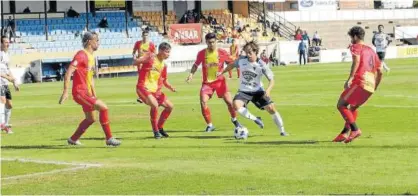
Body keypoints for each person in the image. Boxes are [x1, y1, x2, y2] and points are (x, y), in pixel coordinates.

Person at [58, 32, 121, 146]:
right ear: (89, 42)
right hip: (80, 92)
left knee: (90, 119)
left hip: (86, 92)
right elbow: (68, 72)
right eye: (96, 40)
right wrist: (65, 91)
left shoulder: (91, 56)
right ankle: (109, 138)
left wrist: (93, 93)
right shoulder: (81, 55)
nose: (98, 42)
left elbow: (90, 77)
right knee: (104, 108)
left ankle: (73, 139)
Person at [219, 41, 288, 136]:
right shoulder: (241, 60)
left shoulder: (262, 64)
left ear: (256, 52)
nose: (248, 55)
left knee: (271, 108)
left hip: (258, 91)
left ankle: (282, 130)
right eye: (246, 52)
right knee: (236, 104)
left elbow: (272, 80)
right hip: (244, 91)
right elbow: (232, 65)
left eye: (250, 52)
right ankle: (256, 119)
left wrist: (268, 90)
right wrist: (222, 72)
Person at [333, 26, 383, 143]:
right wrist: (375, 86)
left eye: (351, 37)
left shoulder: (356, 46)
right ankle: (344, 133)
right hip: (370, 84)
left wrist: (350, 78)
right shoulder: (371, 50)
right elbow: (380, 71)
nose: (351, 40)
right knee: (353, 107)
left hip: (360, 81)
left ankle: (355, 130)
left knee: (341, 105)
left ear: (355, 36)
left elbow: (356, 60)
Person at [186, 33, 241, 132]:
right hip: (207, 84)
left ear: (216, 41)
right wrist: (191, 74)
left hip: (220, 82)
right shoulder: (202, 53)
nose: (211, 44)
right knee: (203, 102)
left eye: (213, 42)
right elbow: (195, 65)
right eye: (209, 42)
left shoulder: (222, 52)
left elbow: (231, 63)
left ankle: (235, 120)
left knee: (229, 102)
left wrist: (239, 65)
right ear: (206, 42)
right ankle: (210, 125)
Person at [135, 43, 176, 139]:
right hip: (143, 87)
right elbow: (136, 62)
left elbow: (165, 80)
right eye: (167, 52)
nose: (168, 54)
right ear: (161, 51)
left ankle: (160, 127)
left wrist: (170, 87)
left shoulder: (164, 66)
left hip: (155, 91)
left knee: (170, 106)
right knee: (154, 105)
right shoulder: (151, 57)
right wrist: (140, 59)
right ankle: (155, 131)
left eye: (169, 52)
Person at [0, 36, 19, 134]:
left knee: (9, 105)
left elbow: (8, 70)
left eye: (8, 42)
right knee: (2, 101)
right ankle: (2, 124)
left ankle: (6, 125)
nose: (8, 44)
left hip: (5, 83)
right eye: (6, 42)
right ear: (1, 43)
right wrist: (7, 78)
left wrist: (14, 81)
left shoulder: (6, 55)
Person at [133, 30, 156, 103]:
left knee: (146, 79)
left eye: (147, 35)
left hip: (148, 64)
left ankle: (144, 96)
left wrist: (153, 63)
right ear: (142, 36)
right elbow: (133, 52)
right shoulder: (138, 43)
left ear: (148, 36)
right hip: (140, 64)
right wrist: (135, 58)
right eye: (144, 35)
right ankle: (143, 96)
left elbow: (154, 54)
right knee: (142, 80)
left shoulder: (151, 44)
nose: (145, 36)